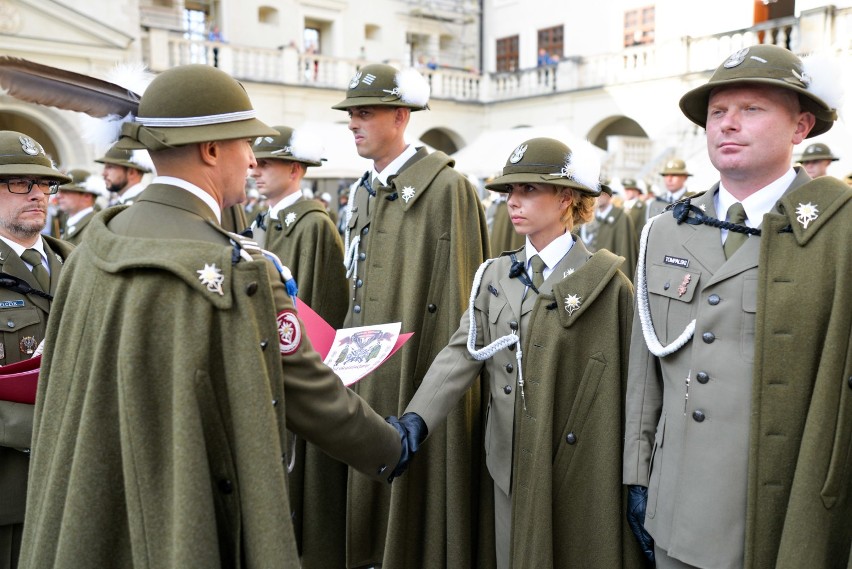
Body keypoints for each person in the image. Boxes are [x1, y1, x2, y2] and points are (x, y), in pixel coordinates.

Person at [18, 64, 406, 569]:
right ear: (211, 149)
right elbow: (306, 389)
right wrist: (391, 447)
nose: (251, 158)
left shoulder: (92, 245)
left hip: (95, 507)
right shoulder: (236, 268)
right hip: (189, 508)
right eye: (246, 142)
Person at [623, 44, 851, 568]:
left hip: (778, 512)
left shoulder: (838, 231)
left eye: (751, 109)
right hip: (674, 509)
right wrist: (637, 476)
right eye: (717, 113)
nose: (728, 125)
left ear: (801, 127)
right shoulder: (667, 229)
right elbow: (646, 369)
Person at [398, 137, 644, 569]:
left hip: (572, 465)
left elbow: (629, 386)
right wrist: (416, 420)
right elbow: (462, 352)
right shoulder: (494, 275)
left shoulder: (605, 284)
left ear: (567, 197)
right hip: (507, 462)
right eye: (510, 191)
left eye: (529, 189)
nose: (514, 201)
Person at [332, 62, 491, 568]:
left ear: (400, 116)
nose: (354, 123)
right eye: (351, 114)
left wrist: (431, 400)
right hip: (360, 372)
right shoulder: (361, 190)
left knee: (417, 514)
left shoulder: (448, 189)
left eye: (365, 113)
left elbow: (464, 304)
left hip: (416, 375)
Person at [0, 130, 74, 569]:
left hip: (79, 492)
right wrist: (51, 430)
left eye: (45, 184)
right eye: (20, 182)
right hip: (10, 498)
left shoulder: (81, 267)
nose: (38, 194)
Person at [587, 182, 638, 278]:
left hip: (612, 275)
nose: (598, 196)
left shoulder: (622, 217)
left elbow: (625, 252)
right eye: (595, 192)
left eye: (603, 193)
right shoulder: (589, 217)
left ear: (610, 195)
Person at [56, 169, 101, 245]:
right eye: (59, 191)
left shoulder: (96, 227)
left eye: (66, 191)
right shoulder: (71, 221)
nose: (58, 196)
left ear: (87, 196)